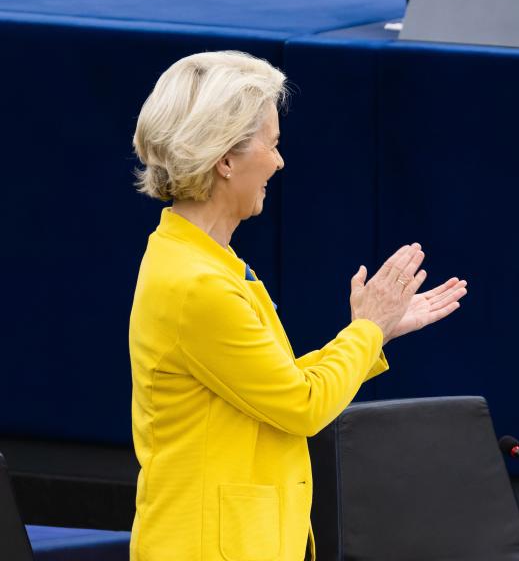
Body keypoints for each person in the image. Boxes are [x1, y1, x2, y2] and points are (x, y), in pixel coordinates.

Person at [127, 51, 467, 561]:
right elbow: (302, 405)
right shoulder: (198, 285)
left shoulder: (201, 261)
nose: (279, 162)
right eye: (272, 144)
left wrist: (374, 331)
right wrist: (367, 330)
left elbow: (273, 387)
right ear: (225, 160)